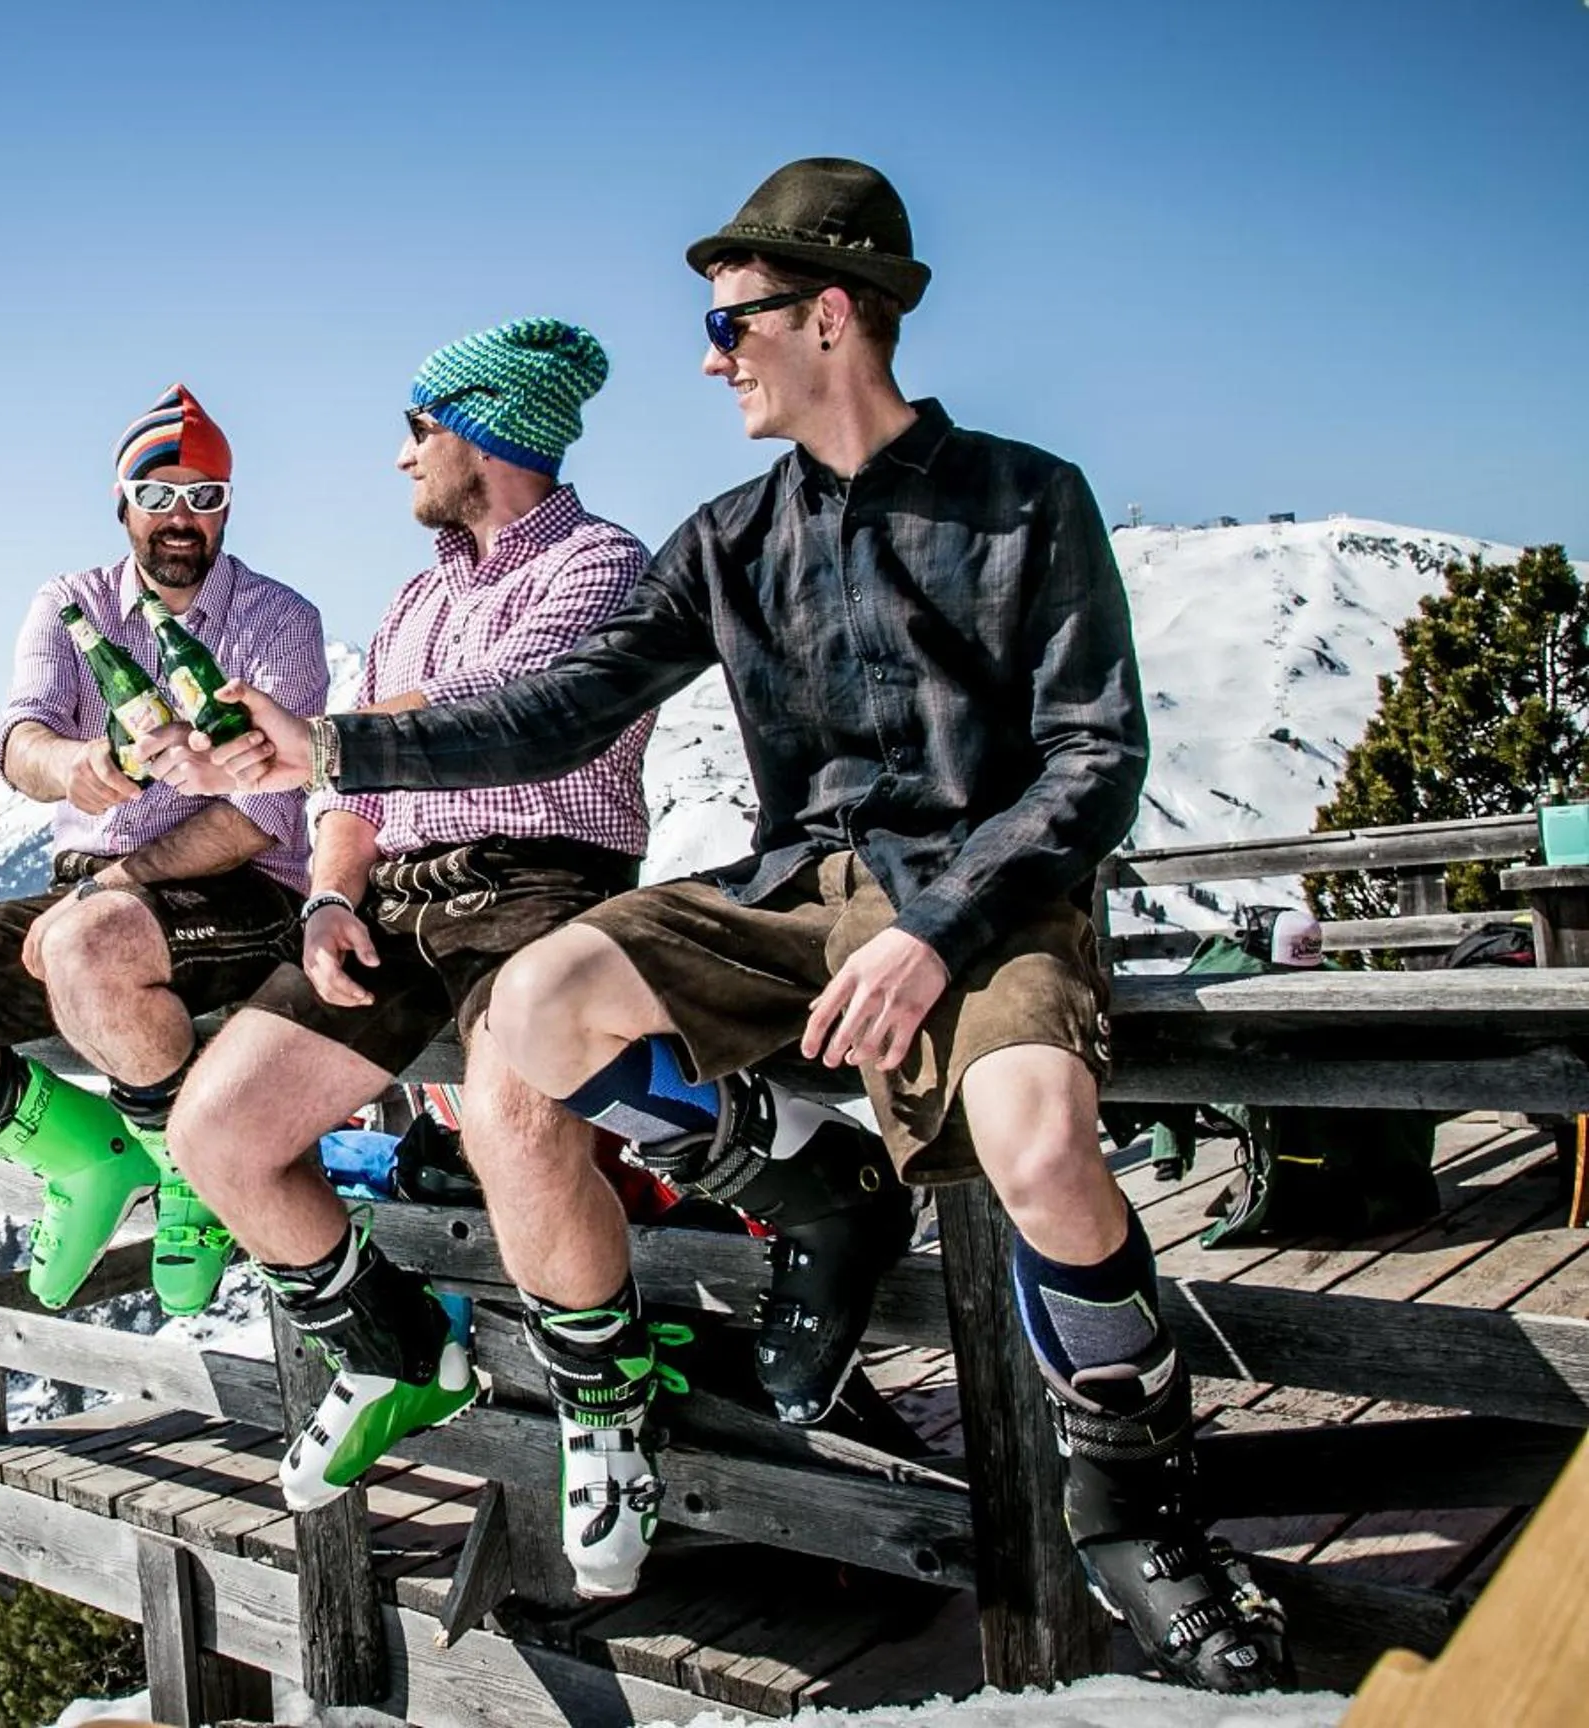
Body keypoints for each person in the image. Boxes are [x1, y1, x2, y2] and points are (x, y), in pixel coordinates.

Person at [198, 161, 1291, 1689]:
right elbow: (561, 709)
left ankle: (1133, 1507)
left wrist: (935, 935)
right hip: (797, 893)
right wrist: (330, 751)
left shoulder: (1023, 500)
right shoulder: (726, 536)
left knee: (1039, 1145)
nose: (708, 359)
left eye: (731, 326)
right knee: (534, 1012)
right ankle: (794, 1168)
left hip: (992, 893)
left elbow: (1091, 760)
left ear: (826, 315)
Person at [151, 319, 901, 1601]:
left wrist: (329, 737)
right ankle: (390, 1350)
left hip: (539, 884)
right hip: (400, 900)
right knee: (217, 1132)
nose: (398, 458)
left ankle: (604, 1408)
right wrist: (331, 898)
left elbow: (510, 723)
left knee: (513, 1112)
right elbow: (354, 791)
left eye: (416, 427)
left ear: (483, 432)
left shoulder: (597, 568)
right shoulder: (416, 594)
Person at [0, 384, 329, 1317]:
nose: (182, 519)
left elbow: (262, 814)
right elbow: (20, 738)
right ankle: (86, 1158)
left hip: (241, 890)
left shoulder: (276, 619)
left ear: (228, 506)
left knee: (87, 941)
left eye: (204, 497)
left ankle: (190, 1172)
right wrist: (75, 767)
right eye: (159, 495)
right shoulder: (73, 605)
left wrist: (116, 880)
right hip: (90, 897)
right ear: (121, 503)